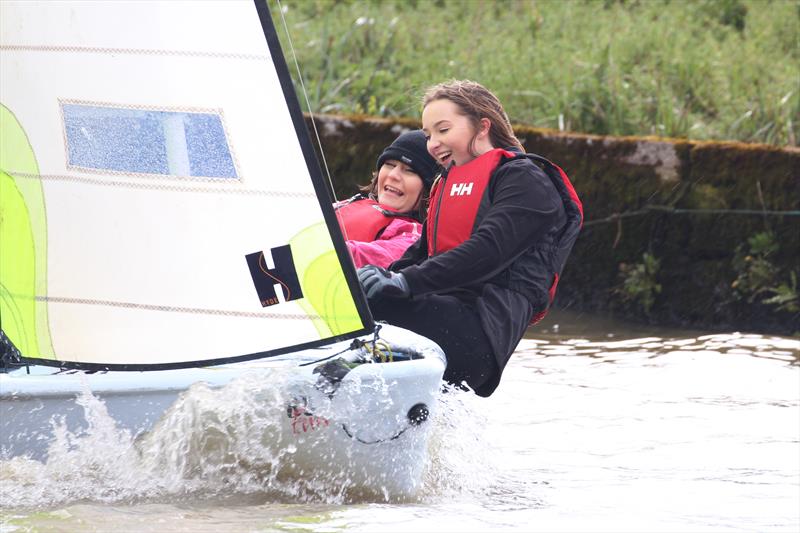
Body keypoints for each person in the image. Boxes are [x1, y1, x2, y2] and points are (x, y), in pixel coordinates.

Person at [358, 80, 583, 397]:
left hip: (479, 335)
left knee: (366, 307)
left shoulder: (525, 180)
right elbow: (418, 256)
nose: (433, 144)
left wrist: (404, 283)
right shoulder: (444, 185)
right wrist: (380, 275)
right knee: (352, 296)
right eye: (428, 135)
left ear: (482, 126)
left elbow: (488, 251)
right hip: (441, 314)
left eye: (443, 130)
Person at [335, 129, 439, 268]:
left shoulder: (414, 236)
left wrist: (318, 245)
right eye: (390, 165)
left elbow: (374, 257)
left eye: (410, 171)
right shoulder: (350, 202)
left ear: (429, 190)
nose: (393, 175)